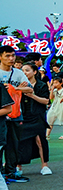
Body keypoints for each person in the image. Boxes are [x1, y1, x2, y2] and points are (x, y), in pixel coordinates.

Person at [0, 45, 33, 182]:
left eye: (13, 55)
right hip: (1, 114)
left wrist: (16, 88)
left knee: (13, 144)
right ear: (0, 57)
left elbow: (30, 89)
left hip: (15, 113)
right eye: (7, 56)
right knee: (1, 144)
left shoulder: (18, 73)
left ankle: (10, 171)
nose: (11, 58)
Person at [18, 63, 50, 176]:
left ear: (35, 72)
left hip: (37, 116)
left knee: (40, 141)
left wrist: (32, 95)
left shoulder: (41, 85)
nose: (25, 72)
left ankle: (44, 165)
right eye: (23, 70)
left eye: (27, 70)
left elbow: (46, 101)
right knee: (21, 141)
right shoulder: (20, 85)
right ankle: (18, 167)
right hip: (23, 116)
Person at [47, 74, 63, 141]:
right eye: (54, 83)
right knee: (50, 118)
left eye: (56, 83)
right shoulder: (54, 90)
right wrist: (51, 90)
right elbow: (51, 97)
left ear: (60, 83)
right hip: (55, 106)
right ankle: (47, 134)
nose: (55, 84)